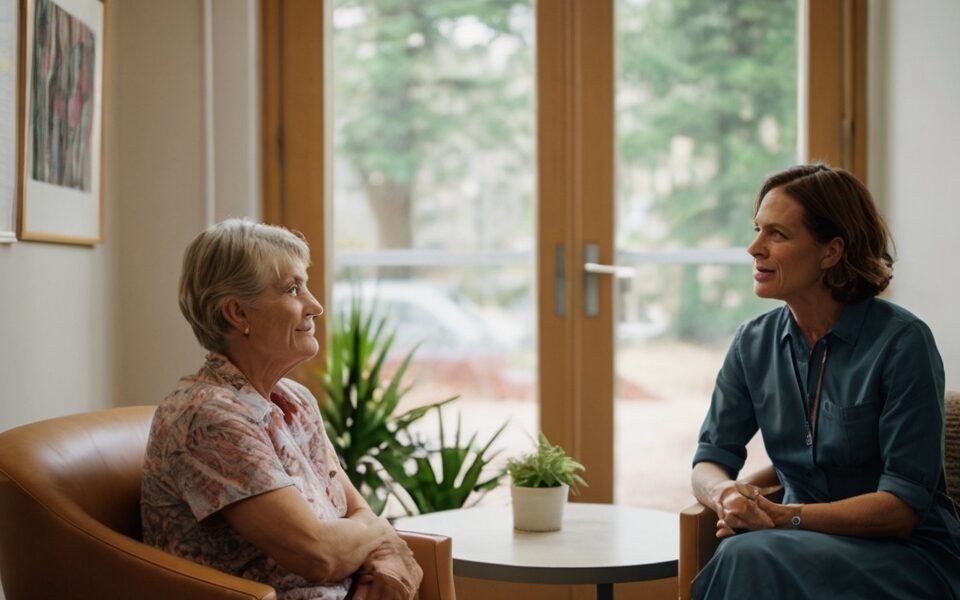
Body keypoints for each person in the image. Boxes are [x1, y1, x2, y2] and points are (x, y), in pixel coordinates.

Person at [691, 164, 960, 599]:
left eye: (776, 234)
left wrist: (781, 516)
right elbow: (709, 459)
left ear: (831, 252)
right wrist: (725, 493)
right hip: (791, 545)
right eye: (757, 229)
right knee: (748, 555)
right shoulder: (751, 344)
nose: (753, 247)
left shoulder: (902, 343)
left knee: (745, 557)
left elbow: (901, 508)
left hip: (904, 555)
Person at [141, 219, 422, 600]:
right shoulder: (206, 416)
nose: (315, 306)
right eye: (293, 289)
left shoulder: (295, 400)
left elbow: (357, 514)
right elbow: (319, 554)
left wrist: (369, 538)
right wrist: (376, 534)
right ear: (237, 314)